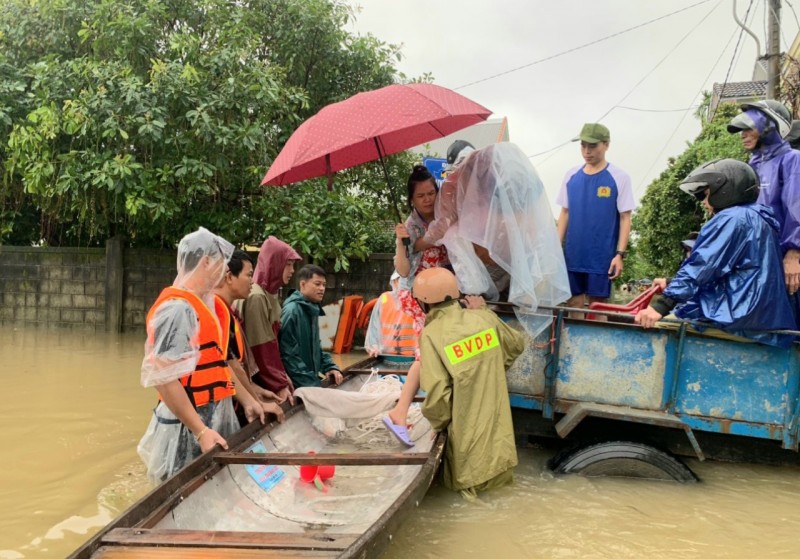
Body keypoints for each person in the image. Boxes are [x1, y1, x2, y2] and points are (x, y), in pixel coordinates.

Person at [635, 159, 797, 347]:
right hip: (757, 317)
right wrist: (672, 283)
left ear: (725, 190)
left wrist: (662, 305)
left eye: (705, 195)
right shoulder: (756, 217)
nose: (704, 203)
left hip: (737, 317)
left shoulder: (731, 218)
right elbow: (731, 273)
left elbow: (703, 265)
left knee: (661, 328)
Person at [137, 227, 241, 483]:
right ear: (206, 261)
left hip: (208, 417)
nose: (224, 271)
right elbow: (164, 377)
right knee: (178, 488)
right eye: (221, 263)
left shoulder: (205, 303)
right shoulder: (177, 310)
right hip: (186, 427)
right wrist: (200, 431)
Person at [413, 267, 525, 499]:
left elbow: (437, 393)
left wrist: (437, 424)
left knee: (468, 503)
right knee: (502, 498)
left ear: (423, 302)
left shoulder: (431, 334)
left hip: (469, 457)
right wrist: (490, 368)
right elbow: (515, 345)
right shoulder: (483, 318)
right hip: (502, 450)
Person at [384, 164, 451, 445]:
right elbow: (402, 270)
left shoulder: (446, 214)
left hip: (444, 296)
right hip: (420, 297)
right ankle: (400, 412)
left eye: (431, 193)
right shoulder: (409, 226)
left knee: (441, 351)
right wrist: (402, 243)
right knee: (427, 354)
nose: (427, 199)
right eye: (420, 195)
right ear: (411, 199)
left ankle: (436, 414)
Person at [556, 123, 635, 310]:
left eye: (592, 146)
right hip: (573, 254)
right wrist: (555, 248)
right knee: (573, 303)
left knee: (598, 306)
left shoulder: (619, 177)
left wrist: (619, 255)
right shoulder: (571, 175)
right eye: (583, 146)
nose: (587, 151)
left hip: (602, 257)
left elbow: (625, 217)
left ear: (606, 145)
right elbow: (565, 212)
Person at [727, 100, 800, 295]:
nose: (743, 135)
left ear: (769, 128)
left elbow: (796, 207)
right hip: (758, 261)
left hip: (786, 264)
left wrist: (794, 254)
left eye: (749, 128)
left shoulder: (792, 159)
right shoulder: (753, 165)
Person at [214, 249, 285, 426]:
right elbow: (230, 365)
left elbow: (236, 365)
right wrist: (255, 401)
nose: (252, 281)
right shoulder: (218, 313)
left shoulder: (228, 312)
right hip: (219, 406)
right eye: (249, 275)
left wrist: (255, 390)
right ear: (229, 277)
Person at [236, 237, 300, 405]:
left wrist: (282, 377)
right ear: (274, 263)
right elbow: (261, 348)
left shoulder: (268, 294)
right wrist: (279, 383)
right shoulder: (257, 296)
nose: (292, 270)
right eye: (288, 264)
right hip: (256, 382)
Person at [279, 264, 344, 388]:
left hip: (309, 380)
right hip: (298, 385)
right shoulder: (292, 312)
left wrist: (330, 367)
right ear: (303, 284)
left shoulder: (311, 308)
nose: (322, 289)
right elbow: (288, 356)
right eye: (317, 284)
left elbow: (316, 349)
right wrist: (312, 385)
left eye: (324, 285)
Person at [364, 270, 417, 358]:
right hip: (385, 356)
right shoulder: (384, 299)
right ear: (394, 281)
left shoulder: (417, 300)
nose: (403, 283)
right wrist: (374, 347)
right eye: (399, 280)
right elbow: (374, 327)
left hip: (413, 357)